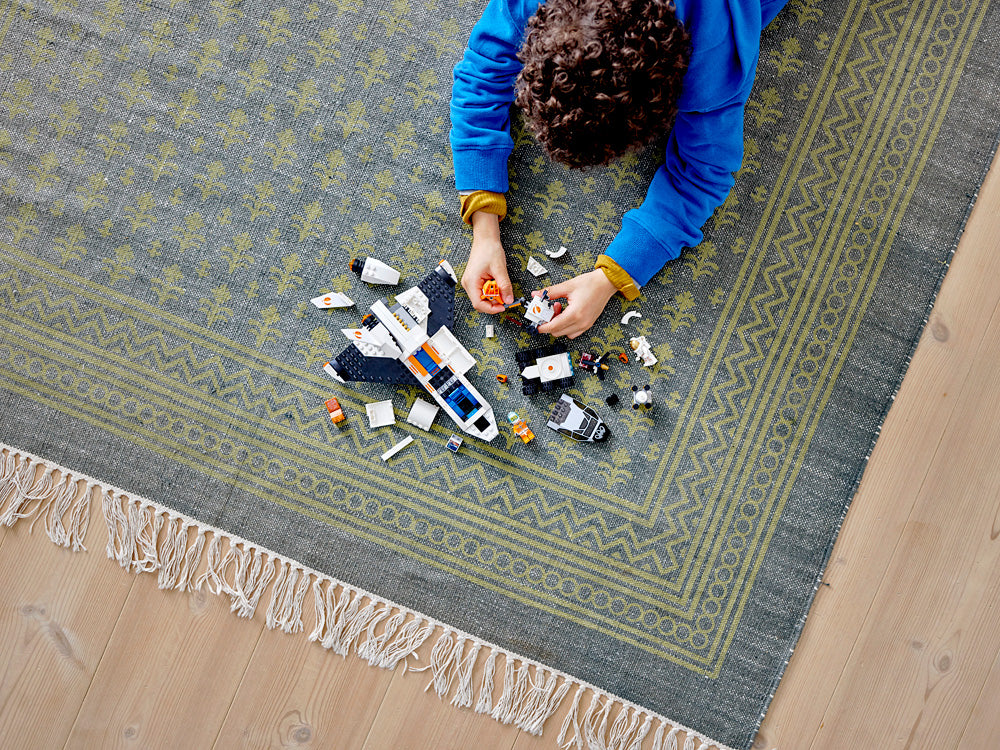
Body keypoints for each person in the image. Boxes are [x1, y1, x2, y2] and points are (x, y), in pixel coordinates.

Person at [450, 0, 789, 338]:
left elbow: (702, 175)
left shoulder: (713, 68)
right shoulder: (533, 6)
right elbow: (483, 72)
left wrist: (612, 276)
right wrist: (484, 226)